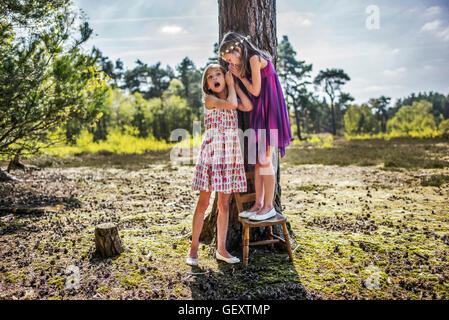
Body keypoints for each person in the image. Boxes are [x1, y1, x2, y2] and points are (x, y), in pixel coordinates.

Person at [219, 31, 292, 221]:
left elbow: (256, 90)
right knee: (259, 161)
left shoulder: (253, 58)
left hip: (270, 111)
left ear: (237, 49)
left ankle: (269, 207)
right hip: (261, 110)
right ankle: (258, 205)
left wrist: (240, 77)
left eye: (230, 59)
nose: (231, 64)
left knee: (265, 160)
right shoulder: (249, 61)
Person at [187, 63, 253, 266]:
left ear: (224, 78)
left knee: (224, 203)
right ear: (206, 84)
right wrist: (231, 86)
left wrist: (235, 83)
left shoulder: (229, 96)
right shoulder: (210, 99)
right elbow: (233, 104)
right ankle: (194, 248)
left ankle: (222, 249)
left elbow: (247, 105)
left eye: (218, 74)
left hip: (230, 153)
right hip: (213, 152)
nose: (214, 78)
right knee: (204, 202)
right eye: (210, 76)